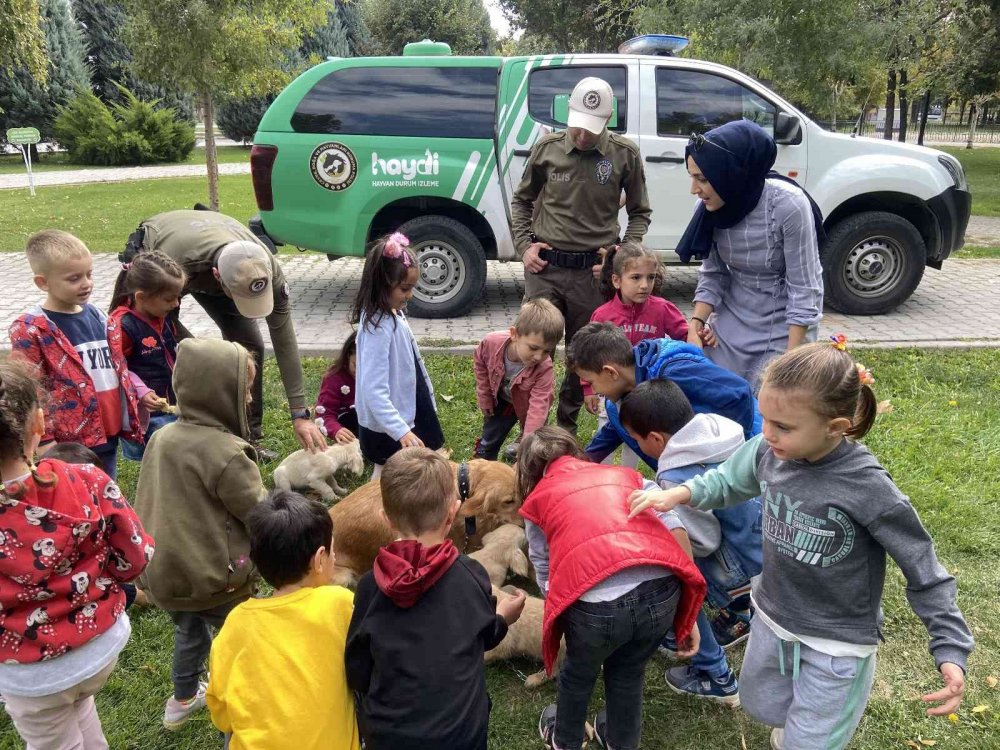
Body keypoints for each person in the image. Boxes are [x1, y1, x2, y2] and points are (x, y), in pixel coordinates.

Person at [628, 340, 975, 750]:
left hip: (837, 641)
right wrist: (679, 494)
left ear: (836, 427)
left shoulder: (869, 488)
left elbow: (924, 567)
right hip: (773, 617)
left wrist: (950, 647)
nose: (766, 434)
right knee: (762, 705)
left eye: (784, 427)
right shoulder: (769, 452)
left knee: (810, 740)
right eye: (765, 419)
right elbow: (726, 480)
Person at [515, 426, 705, 750]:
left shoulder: (537, 501)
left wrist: (560, 610)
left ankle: (565, 740)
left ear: (528, 473)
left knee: (577, 675)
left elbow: (544, 566)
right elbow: (674, 526)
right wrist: (691, 610)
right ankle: (621, 741)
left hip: (595, 607)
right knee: (629, 672)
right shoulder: (625, 475)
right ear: (576, 453)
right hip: (662, 593)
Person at [0, 361, 153, 748]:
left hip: (32, 678)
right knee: (80, 710)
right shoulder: (87, 478)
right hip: (101, 645)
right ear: (38, 424)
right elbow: (134, 558)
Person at [345, 447, 525, 750]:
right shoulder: (471, 575)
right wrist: (503, 618)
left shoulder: (369, 587)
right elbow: (485, 636)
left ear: (386, 520)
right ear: (453, 512)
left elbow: (357, 669)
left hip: (388, 738)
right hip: (462, 737)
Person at [133, 338, 265, 730]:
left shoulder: (162, 437)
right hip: (217, 575)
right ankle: (242, 700)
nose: (250, 397)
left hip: (165, 572)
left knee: (190, 633)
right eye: (245, 389)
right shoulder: (226, 454)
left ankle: (182, 699)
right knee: (239, 636)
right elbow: (258, 513)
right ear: (219, 392)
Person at [120, 208, 325, 460]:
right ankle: (200, 433)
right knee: (198, 357)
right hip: (170, 258)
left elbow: (284, 339)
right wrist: (206, 360)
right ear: (218, 277)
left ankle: (250, 437)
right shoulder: (177, 267)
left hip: (215, 253)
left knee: (251, 347)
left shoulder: (265, 268)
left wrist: (299, 414)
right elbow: (181, 343)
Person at [511, 76, 651, 435]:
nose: (582, 135)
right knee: (534, 348)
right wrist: (524, 246)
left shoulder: (624, 154)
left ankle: (564, 430)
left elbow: (640, 212)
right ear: (568, 113)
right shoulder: (548, 149)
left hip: (592, 273)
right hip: (546, 268)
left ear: (606, 121)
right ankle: (531, 431)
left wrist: (619, 256)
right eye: (577, 125)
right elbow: (522, 200)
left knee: (582, 352)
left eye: (591, 129)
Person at [619, 379, 763, 705]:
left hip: (735, 562)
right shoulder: (719, 431)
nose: (640, 445)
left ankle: (715, 674)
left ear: (655, 438)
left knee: (676, 578)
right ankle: (739, 612)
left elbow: (704, 542)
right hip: (763, 543)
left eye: (639, 440)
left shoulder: (675, 475)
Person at [206, 489, 360, 750]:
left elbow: (222, 714)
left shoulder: (236, 623)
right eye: (333, 552)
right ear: (320, 559)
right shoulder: (340, 603)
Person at [679, 120, 824, 389]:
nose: (694, 190)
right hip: (732, 323)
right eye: (692, 177)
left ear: (730, 173)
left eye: (702, 178)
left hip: (785, 328)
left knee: (771, 404)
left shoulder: (788, 205)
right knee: (716, 399)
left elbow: (805, 289)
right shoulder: (706, 208)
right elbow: (713, 273)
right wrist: (695, 325)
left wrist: (790, 365)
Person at [9, 230, 143, 479]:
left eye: (89, 274)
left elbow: (116, 367)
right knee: (75, 497)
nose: (86, 283)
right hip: (68, 443)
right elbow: (30, 388)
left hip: (107, 430)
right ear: (43, 283)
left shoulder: (98, 316)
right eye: (74, 278)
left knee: (105, 487)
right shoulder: (32, 329)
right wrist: (44, 440)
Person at [567, 322, 761, 466]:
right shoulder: (617, 405)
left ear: (611, 372)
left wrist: (734, 461)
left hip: (752, 459)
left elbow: (738, 393)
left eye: (591, 382)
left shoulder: (675, 371)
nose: (594, 391)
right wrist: (576, 465)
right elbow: (613, 432)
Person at [584, 242, 688, 469]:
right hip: (611, 391)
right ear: (616, 281)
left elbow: (686, 337)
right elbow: (589, 354)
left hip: (647, 393)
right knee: (607, 431)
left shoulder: (662, 308)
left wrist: (702, 335)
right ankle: (601, 477)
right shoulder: (603, 314)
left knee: (636, 438)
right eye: (636, 278)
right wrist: (588, 388)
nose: (644, 285)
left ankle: (629, 479)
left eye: (650, 278)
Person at [350, 232, 444, 478]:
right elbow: (373, 389)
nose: (410, 295)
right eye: (404, 288)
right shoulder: (376, 328)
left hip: (409, 405)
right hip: (392, 421)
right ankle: (377, 510)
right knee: (391, 470)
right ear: (381, 284)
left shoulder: (391, 313)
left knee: (420, 462)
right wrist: (400, 431)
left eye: (412, 287)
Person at [44, 441, 152, 610]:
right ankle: (143, 598)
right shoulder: (100, 525)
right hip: (98, 611)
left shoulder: (32, 525)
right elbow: (134, 557)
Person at [107, 250, 186, 461]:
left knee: (175, 453)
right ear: (141, 297)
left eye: (178, 296)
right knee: (160, 458)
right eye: (170, 298)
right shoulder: (123, 326)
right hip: (149, 411)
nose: (176, 303)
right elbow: (118, 368)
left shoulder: (162, 315)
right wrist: (141, 391)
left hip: (170, 401)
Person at [472, 298, 563, 462]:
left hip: (530, 406)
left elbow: (538, 408)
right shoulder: (491, 343)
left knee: (534, 440)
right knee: (491, 435)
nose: (538, 357)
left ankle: (521, 455)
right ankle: (483, 461)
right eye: (533, 348)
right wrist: (484, 397)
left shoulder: (544, 367)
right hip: (502, 400)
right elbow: (480, 365)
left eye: (547, 351)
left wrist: (527, 447)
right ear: (514, 334)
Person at [317, 331, 359, 444]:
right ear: (348, 356)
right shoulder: (334, 378)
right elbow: (325, 413)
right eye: (355, 365)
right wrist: (336, 430)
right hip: (349, 425)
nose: (360, 372)